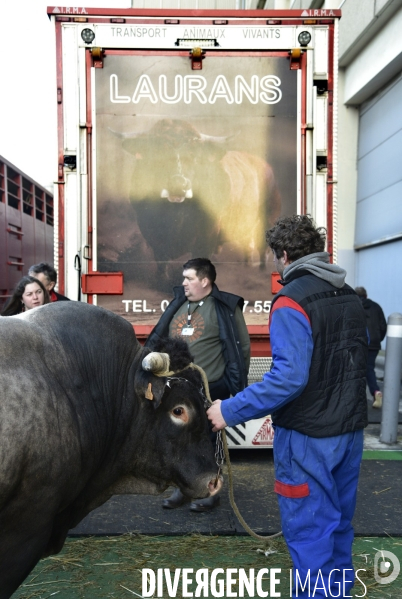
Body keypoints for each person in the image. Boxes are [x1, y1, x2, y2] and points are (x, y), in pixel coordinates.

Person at [207, 215, 368, 598]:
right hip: (349, 432)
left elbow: (288, 380)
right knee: (339, 530)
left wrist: (227, 411)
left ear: (283, 255)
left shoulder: (291, 299)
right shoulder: (347, 294)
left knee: (310, 534)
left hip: (307, 438)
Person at [146, 257, 250, 512]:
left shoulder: (224, 307)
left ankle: (210, 491)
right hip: (177, 391)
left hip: (210, 387)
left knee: (208, 442)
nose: (184, 283)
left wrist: (232, 385)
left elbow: (242, 348)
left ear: (205, 280)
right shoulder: (178, 305)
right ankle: (182, 489)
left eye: (189, 278)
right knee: (176, 440)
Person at [355, 286, 387, 409]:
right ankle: (375, 392)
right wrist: (378, 339)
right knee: (369, 368)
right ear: (366, 295)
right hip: (374, 344)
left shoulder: (354, 306)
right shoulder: (376, 307)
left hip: (359, 342)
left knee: (357, 369)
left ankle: (358, 397)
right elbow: (383, 325)